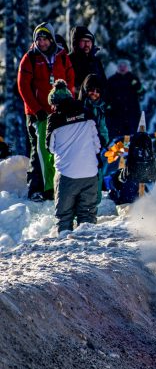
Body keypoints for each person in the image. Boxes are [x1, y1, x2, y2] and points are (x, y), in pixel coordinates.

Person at [17, 22, 75, 201]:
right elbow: (23, 86)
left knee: (59, 150)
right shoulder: (30, 58)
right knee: (40, 150)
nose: (41, 43)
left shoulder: (62, 56)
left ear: (51, 39)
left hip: (59, 112)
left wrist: (68, 103)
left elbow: (70, 80)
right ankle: (39, 188)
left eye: (45, 39)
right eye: (38, 39)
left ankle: (59, 186)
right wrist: (36, 109)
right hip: (38, 114)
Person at [45, 80, 101, 233]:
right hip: (90, 173)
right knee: (88, 216)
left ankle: (65, 242)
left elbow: (50, 148)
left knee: (64, 217)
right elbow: (97, 145)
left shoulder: (54, 119)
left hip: (67, 176)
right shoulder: (87, 114)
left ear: (55, 103)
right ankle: (89, 243)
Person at [105, 59, 145, 139]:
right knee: (118, 137)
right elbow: (106, 96)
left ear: (128, 67)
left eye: (124, 66)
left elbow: (141, 93)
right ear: (117, 68)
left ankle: (130, 146)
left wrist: (137, 85)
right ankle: (120, 146)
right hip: (116, 114)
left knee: (132, 136)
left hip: (132, 114)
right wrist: (108, 107)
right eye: (120, 66)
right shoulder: (112, 80)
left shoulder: (133, 79)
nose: (122, 68)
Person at [68, 26, 107, 91]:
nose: (87, 44)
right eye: (83, 41)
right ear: (76, 42)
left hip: (94, 96)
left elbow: (104, 84)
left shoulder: (95, 61)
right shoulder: (68, 60)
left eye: (89, 41)